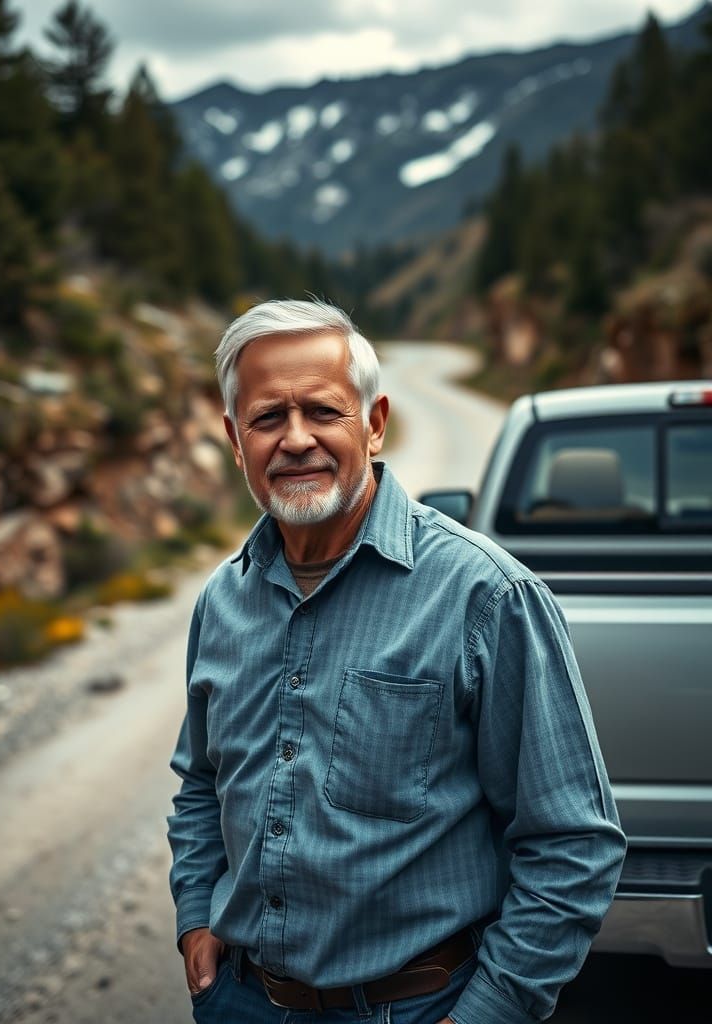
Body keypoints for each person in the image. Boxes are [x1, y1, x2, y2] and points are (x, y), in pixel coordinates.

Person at [167, 299, 626, 1024]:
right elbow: (200, 784)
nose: (295, 440)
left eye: (322, 411)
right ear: (233, 438)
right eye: (266, 419)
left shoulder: (486, 595)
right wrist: (197, 913)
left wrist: (490, 1012)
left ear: (374, 422)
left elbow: (573, 843)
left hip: (416, 1009)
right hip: (242, 1003)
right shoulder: (223, 599)